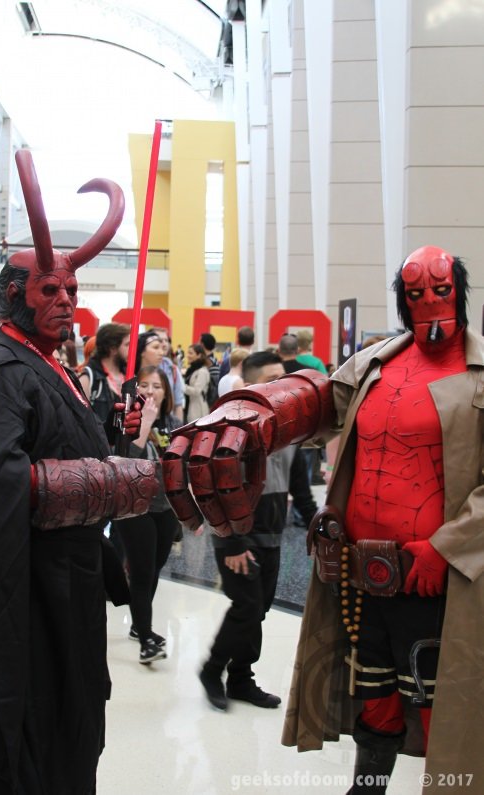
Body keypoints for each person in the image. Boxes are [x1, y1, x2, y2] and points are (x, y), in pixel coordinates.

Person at [162, 245, 484, 795]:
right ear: (403, 301)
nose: (429, 301)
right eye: (415, 293)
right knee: (374, 692)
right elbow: (317, 401)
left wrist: (447, 547)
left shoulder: (477, 374)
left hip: (436, 575)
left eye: (440, 289)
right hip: (360, 566)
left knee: (441, 701)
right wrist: (252, 409)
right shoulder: (377, 363)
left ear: (459, 291)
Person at [0, 150, 158, 795]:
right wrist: (107, 482)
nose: (66, 300)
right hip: (27, 589)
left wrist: (113, 443)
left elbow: (64, 447)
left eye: (72, 289)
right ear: (15, 297)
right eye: (50, 290)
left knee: (74, 721)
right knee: (31, 735)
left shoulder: (54, 368)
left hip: (69, 587)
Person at [198, 351, 318, 711]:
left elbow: (301, 489)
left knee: (259, 609)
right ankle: (212, 670)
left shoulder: (289, 427)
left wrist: (319, 525)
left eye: (283, 377)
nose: (282, 385)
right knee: (247, 606)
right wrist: (234, 541)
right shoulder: (227, 429)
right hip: (234, 535)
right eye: (272, 378)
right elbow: (213, 487)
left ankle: (240, 679)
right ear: (249, 385)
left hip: (271, 535)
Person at [114, 365, 182, 664]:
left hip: (165, 507)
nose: (151, 391)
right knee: (141, 573)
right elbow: (128, 461)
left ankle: (141, 626)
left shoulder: (175, 423)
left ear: (166, 392)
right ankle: (146, 639)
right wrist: (146, 423)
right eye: (145, 385)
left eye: (158, 386)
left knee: (155, 568)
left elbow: (181, 469)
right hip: (135, 507)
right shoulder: (125, 421)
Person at [78, 322, 130, 422]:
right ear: (113, 349)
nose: (132, 349)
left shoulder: (129, 376)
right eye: (127, 345)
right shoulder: (88, 379)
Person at [151, 326, 184, 420]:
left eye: (166, 340)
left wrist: (178, 431)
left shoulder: (172, 368)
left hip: (167, 424)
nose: (164, 344)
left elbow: (178, 404)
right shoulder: (140, 368)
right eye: (160, 340)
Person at [183, 342, 210, 421]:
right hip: (190, 407)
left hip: (198, 410)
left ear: (199, 355)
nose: (188, 355)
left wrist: (181, 386)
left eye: (191, 353)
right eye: (188, 353)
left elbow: (196, 391)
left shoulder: (202, 372)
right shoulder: (192, 370)